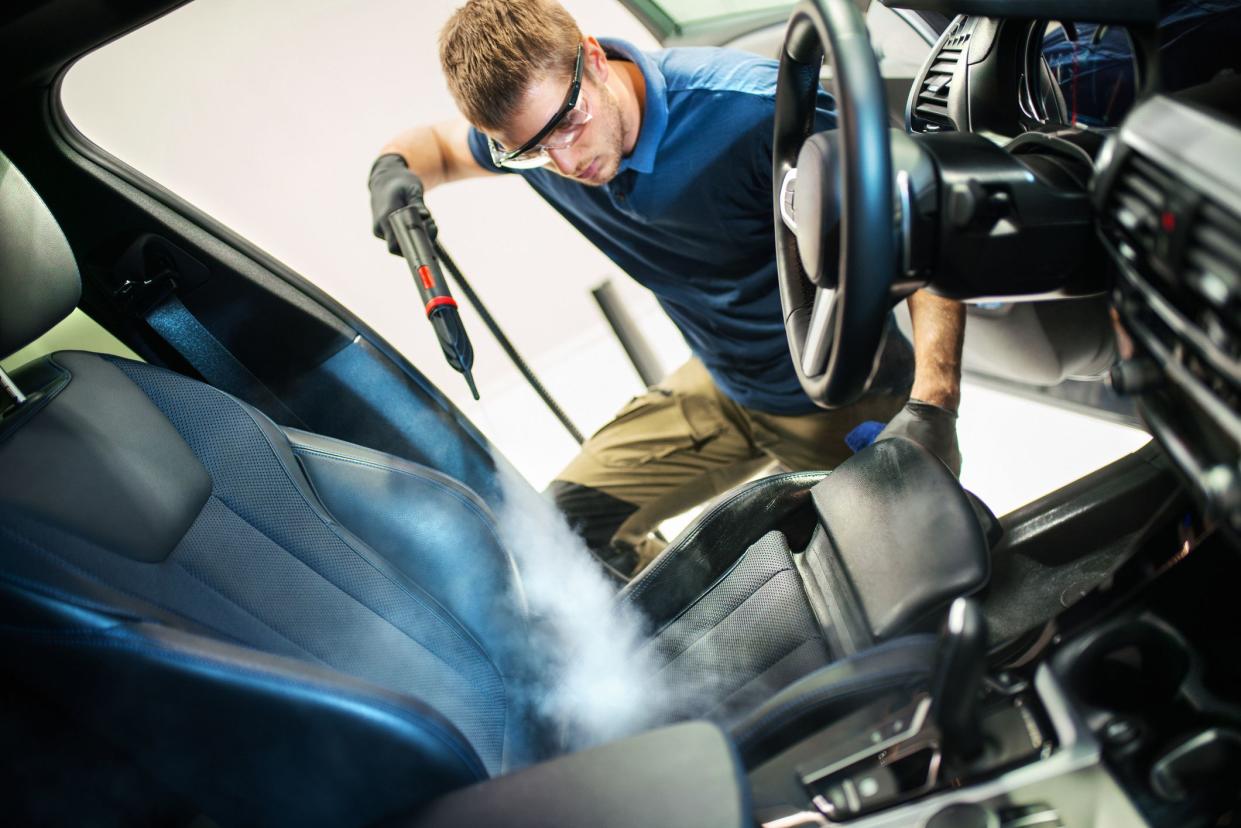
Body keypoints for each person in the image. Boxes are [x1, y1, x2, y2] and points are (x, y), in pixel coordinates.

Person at [369, 0, 965, 578]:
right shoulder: (535, 143)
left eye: (568, 125)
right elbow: (441, 148)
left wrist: (934, 404)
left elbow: (922, 223)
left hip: (834, 393)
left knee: (915, 570)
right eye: (530, 151)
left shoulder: (754, 111)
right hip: (719, 380)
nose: (565, 160)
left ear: (595, 59)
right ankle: (697, 622)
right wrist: (391, 171)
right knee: (561, 537)